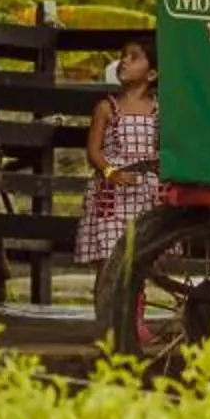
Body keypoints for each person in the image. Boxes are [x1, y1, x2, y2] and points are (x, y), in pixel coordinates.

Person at [77, 35, 161, 264]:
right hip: (110, 194)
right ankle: (104, 299)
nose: (124, 61)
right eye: (123, 56)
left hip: (144, 193)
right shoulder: (106, 108)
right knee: (109, 259)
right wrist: (110, 172)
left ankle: (136, 300)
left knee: (140, 260)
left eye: (134, 58)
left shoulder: (159, 111)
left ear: (151, 74)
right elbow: (94, 152)